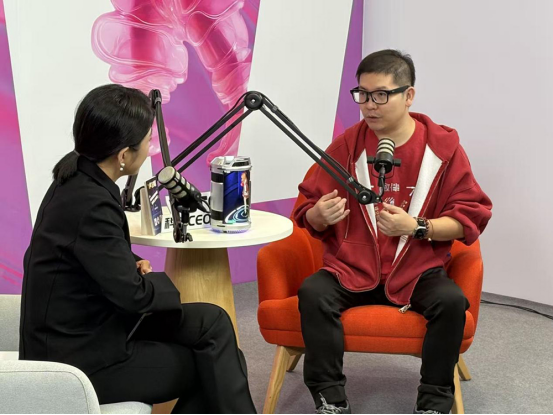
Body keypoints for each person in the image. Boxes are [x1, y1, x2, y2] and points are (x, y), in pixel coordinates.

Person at [19, 84, 256, 414]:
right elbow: (134, 297)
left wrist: (128, 261)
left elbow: (87, 250)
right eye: (147, 140)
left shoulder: (75, 175)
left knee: (214, 324)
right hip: (79, 359)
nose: (149, 147)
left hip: (95, 324)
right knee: (216, 364)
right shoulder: (92, 204)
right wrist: (158, 282)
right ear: (123, 155)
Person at [294, 50, 493, 415]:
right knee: (313, 292)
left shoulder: (442, 150)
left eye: (381, 94)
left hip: (417, 271)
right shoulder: (346, 146)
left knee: (450, 302)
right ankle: (330, 399)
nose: (369, 105)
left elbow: (471, 218)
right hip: (352, 268)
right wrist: (319, 216)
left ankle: (433, 403)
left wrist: (416, 227)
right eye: (363, 94)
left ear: (409, 95)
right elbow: (307, 211)